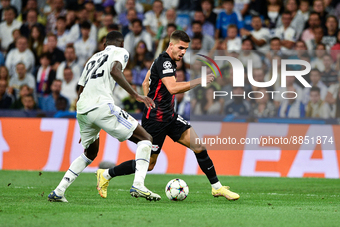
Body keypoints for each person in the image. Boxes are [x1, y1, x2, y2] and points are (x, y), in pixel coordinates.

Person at [96, 30, 240, 201]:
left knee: (199, 146)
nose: (183, 52)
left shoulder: (163, 61)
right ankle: (106, 174)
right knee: (148, 164)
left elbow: (145, 82)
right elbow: (172, 88)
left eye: (186, 49)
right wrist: (198, 81)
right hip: (155, 121)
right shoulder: (165, 62)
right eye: (181, 48)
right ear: (171, 45)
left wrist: (148, 99)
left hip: (169, 116)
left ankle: (217, 188)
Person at [48, 31, 161, 202]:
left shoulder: (92, 59)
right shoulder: (121, 52)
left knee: (89, 153)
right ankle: (138, 184)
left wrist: (84, 121)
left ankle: (59, 191)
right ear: (121, 43)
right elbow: (115, 70)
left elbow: (81, 88)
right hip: (101, 106)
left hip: (83, 109)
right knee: (146, 138)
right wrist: (136, 95)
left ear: (104, 44)